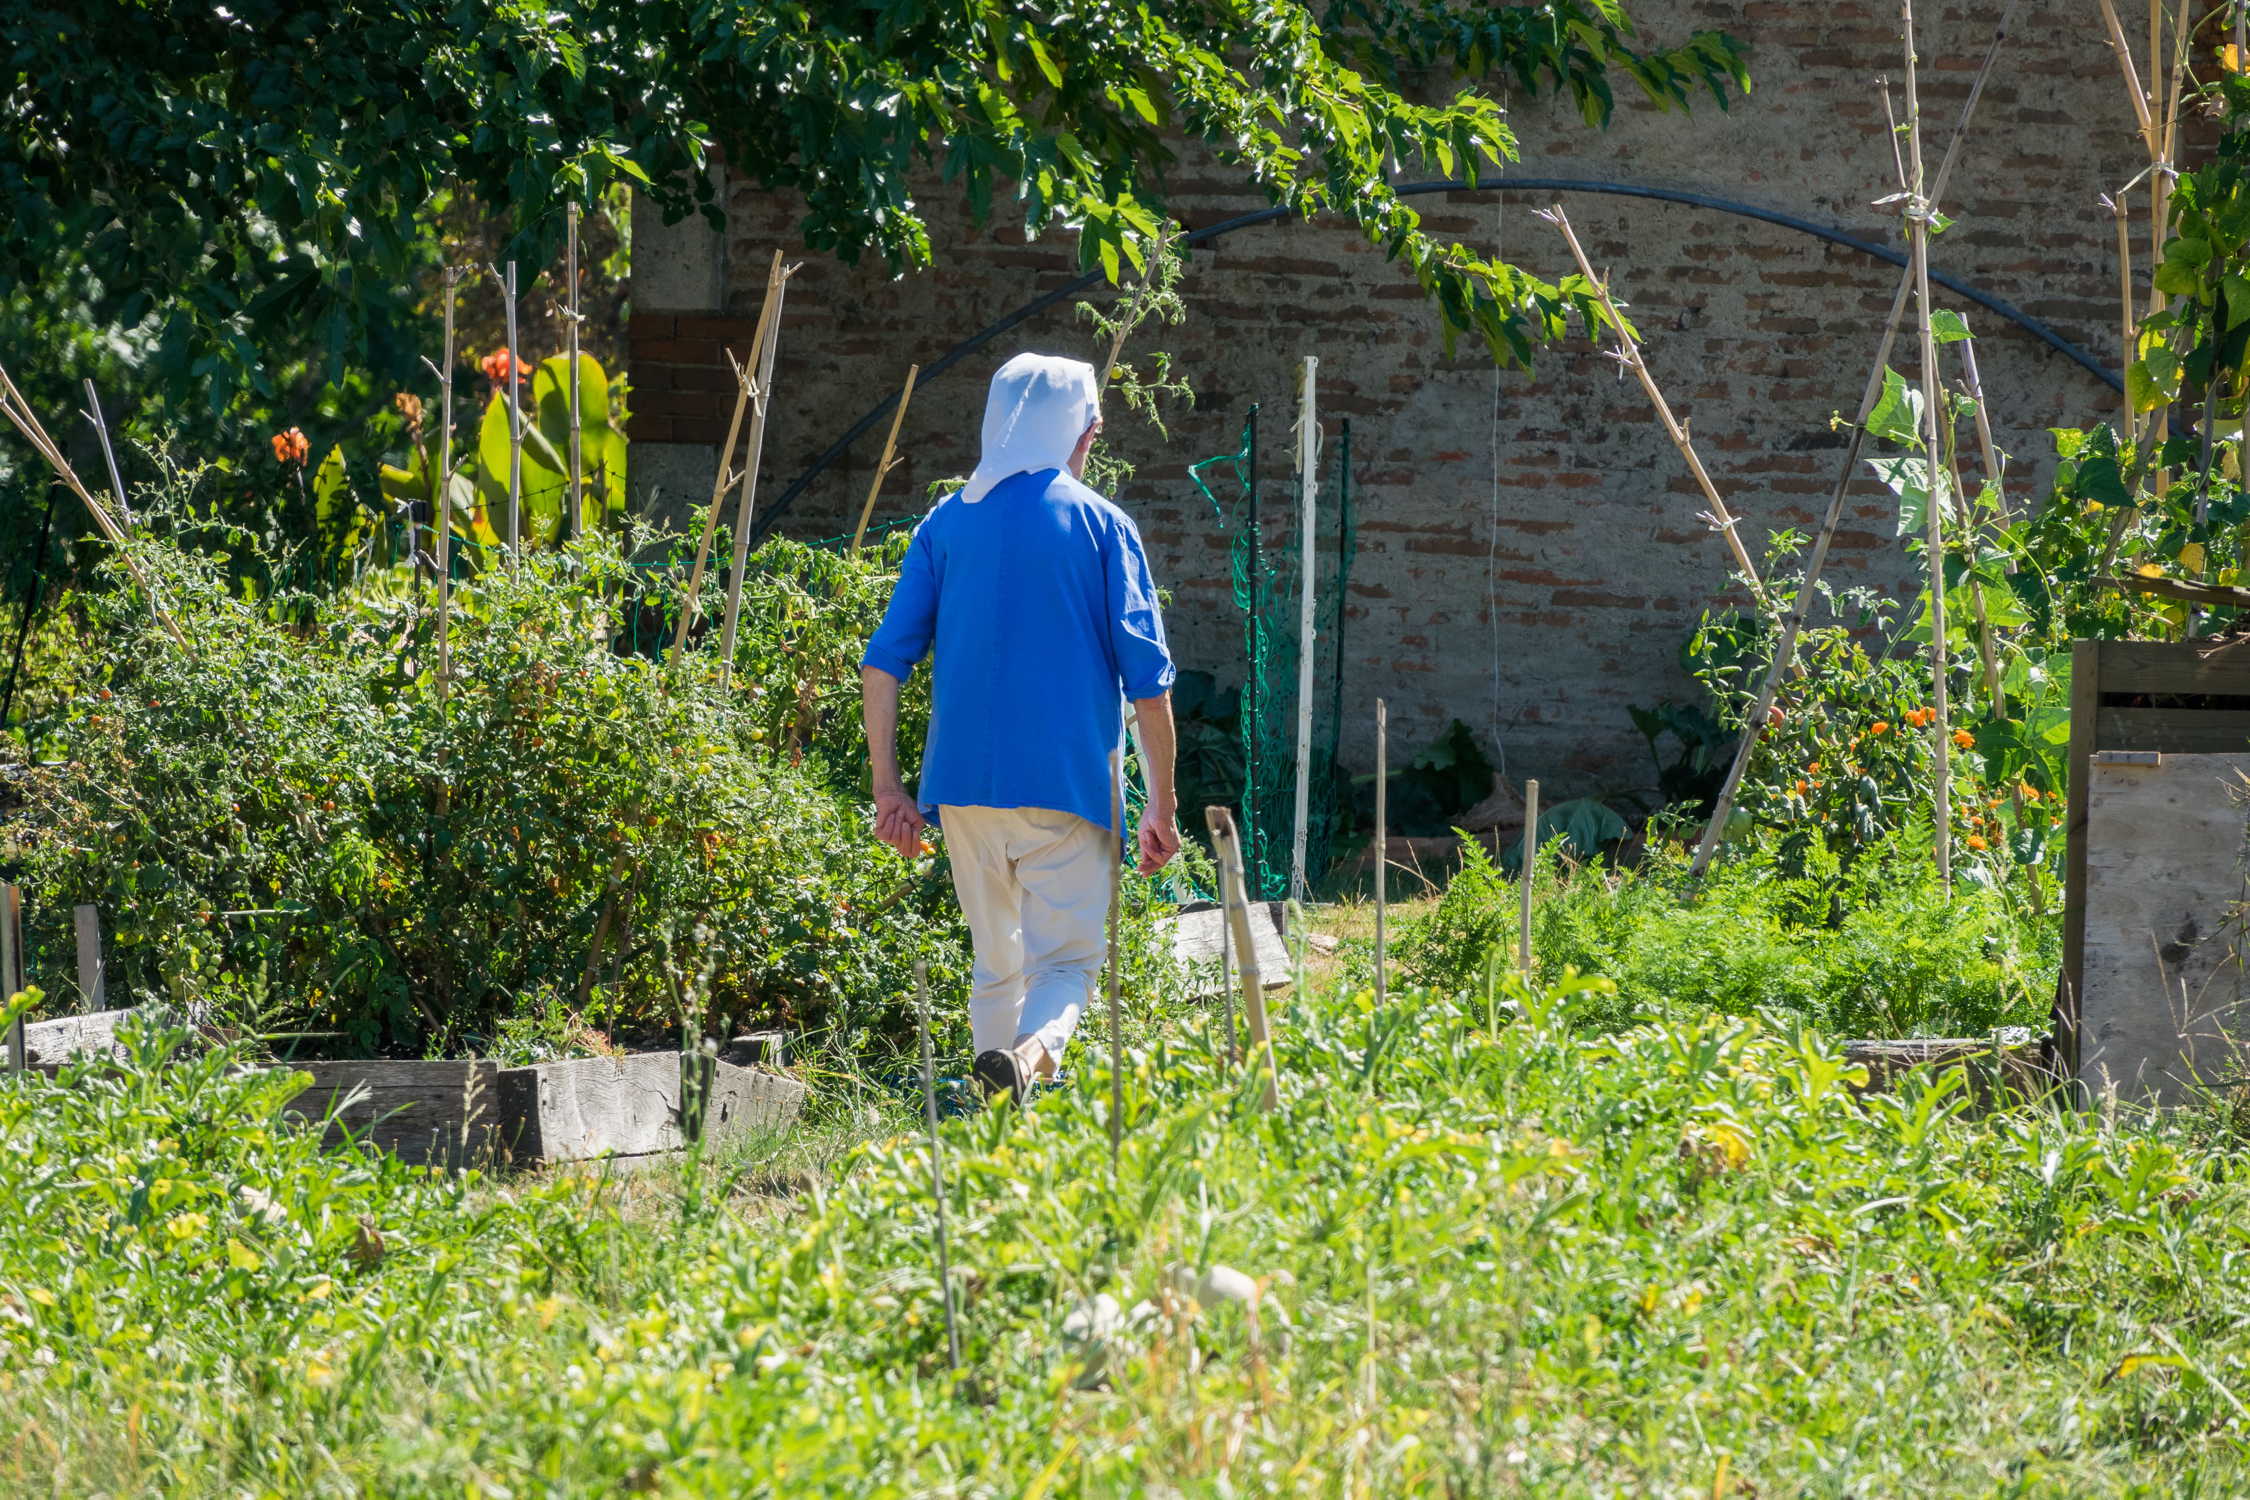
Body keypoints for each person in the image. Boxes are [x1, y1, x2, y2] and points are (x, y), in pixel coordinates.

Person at [860, 352, 1181, 1101]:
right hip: (1067, 786)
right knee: (1067, 962)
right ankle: (1031, 1059)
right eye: (1093, 428)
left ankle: (992, 1120)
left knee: (995, 961)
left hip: (963, 790)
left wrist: (888, 788)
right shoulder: (1105, 525)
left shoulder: (946, 524)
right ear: (1084, 430)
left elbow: (882, 666)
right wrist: (1160, 804)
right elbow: (1150, 683)